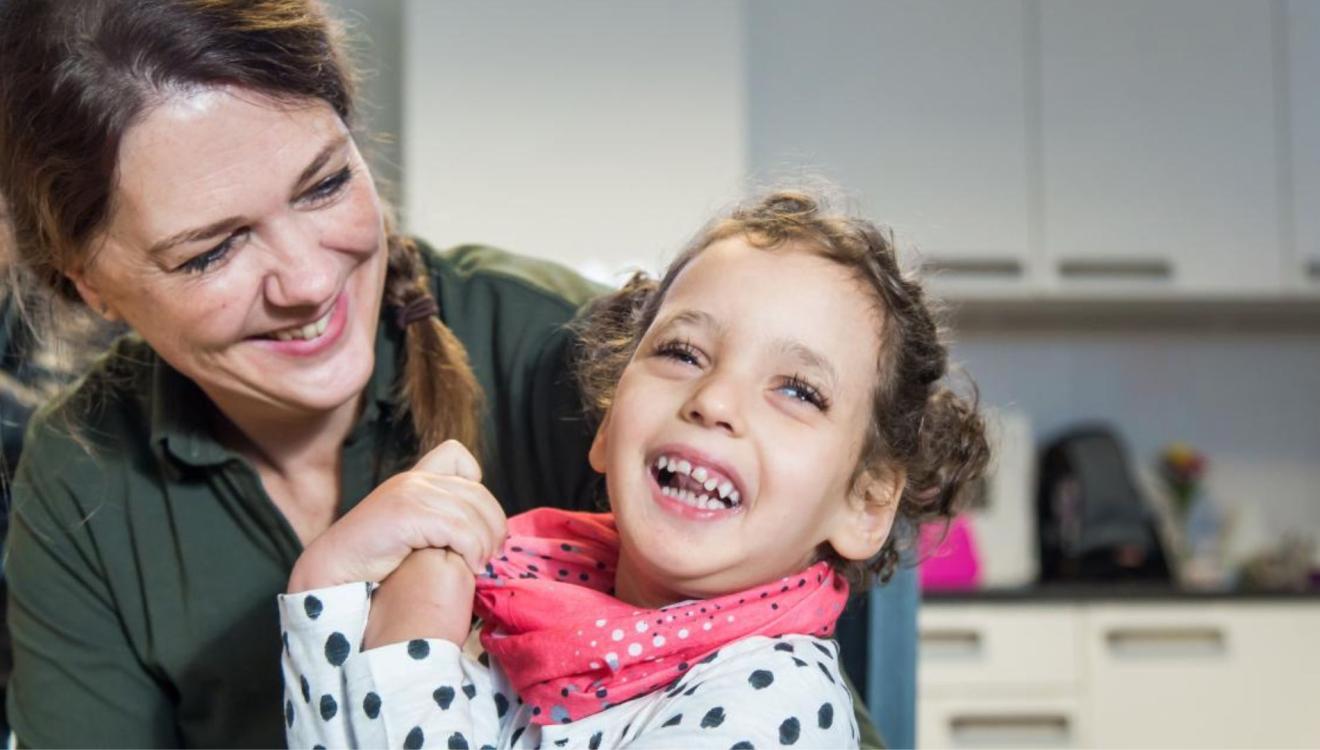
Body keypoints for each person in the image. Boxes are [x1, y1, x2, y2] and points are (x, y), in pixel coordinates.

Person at [0, 1, 604, 746]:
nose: (309, 283)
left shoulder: (562, 353)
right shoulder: (79, 478)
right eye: (210, 253)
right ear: (90, 282)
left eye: (323, 185)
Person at [279, 191, 991, 748]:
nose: (713, 401)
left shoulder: (777, 702)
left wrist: (413, 649)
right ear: (609, 421)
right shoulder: (531, 622)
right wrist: (328, 583)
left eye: (797, 391)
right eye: (683, 353)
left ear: (866, 504)